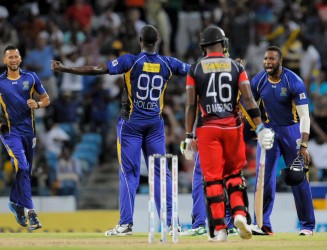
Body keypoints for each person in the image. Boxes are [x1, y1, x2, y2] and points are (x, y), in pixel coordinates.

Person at [51, 25, 190, 236]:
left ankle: (126, 224)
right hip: (155, 124)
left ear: (140, 39)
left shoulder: (130, 60)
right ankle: (172, 224)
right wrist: (228, 67)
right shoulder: (168, 63)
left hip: (131, 125)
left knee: (129, 172)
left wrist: (65, 69)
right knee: (162, 173)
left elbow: (98, 70)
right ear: (158, 40)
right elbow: (196, 71)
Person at [183, 25, 274, 242]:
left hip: (208, 129)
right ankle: (240, 214)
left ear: (203, 46)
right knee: (234, 175)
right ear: (222, 44)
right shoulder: (235, 66)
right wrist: (260, 128)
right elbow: (249, 99)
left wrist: (188, 136)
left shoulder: (195, 69)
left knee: (212, 179)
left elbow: (190, 105)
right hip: (233, 127)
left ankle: (219, 230)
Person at [249, 46, 315, 236]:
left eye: (271, 59)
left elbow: (304, 116)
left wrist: (303, 144)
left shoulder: (294, 81)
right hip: (269, 131)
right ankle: (262, 224)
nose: (267, 62)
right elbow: (249, 106)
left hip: (292, 131)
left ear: (280, 62)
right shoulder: (259, 80)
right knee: (264, 177)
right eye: (265, 59)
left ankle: (307, 226)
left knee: (298, 177)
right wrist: (258, 128)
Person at [0, 45, 50, 230]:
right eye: (9, 57)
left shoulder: (31, 77)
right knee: (21, 165)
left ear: (20, 58)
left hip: (29, 132)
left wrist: (37, 104)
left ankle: (15, 203)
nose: (13, 60)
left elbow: (46, 99)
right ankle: (32, 213)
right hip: (10, 133)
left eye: (16, 56)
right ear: (5, 60)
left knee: (25, 171)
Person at [179, 151, 238, 237]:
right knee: (228, 170)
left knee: (200, 172)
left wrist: (190, 137)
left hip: (207, 141)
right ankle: (231, 226)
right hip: (230, 139)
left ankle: (199, 225)